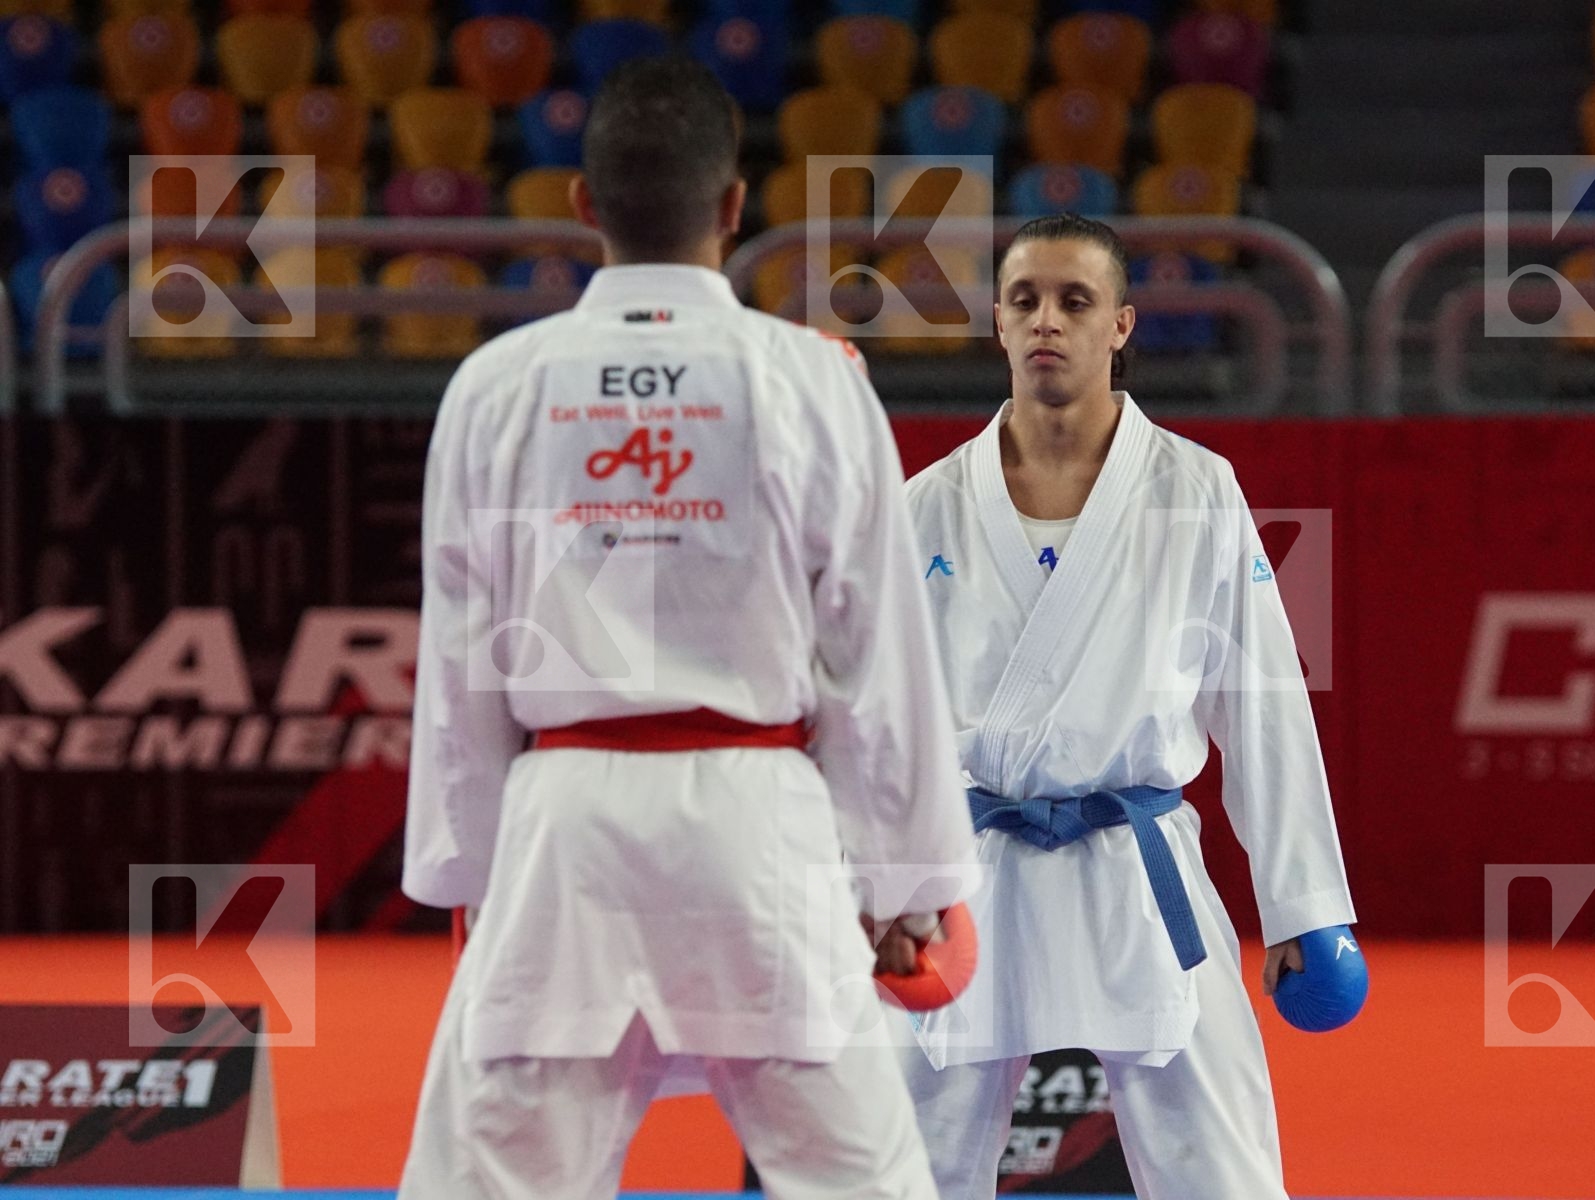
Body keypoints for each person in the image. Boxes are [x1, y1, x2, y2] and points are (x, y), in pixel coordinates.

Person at [398, 55, 975, 1200]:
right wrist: (905, 885)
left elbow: (462, 657)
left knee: (492, 1180)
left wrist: (475, 869)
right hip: (760, 832)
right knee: (863, 1183)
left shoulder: (497, 384)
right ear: (734, 204)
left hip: (564, 833)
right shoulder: (811, 378)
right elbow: (875, 656)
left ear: (581, 202)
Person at [888, 213, 1357, 1199]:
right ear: (997, 322)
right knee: (904, 1166)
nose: (1047, 321)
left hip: (1138, 860)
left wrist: (1303, 904)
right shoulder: (925, 503)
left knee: (1221, 1164)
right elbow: (882, 726)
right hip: (968, 870)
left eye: (1075, 301)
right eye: (1025, 300)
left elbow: (1262, 703)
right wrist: (877, 890)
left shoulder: (1196, 488)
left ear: (1121, 325)